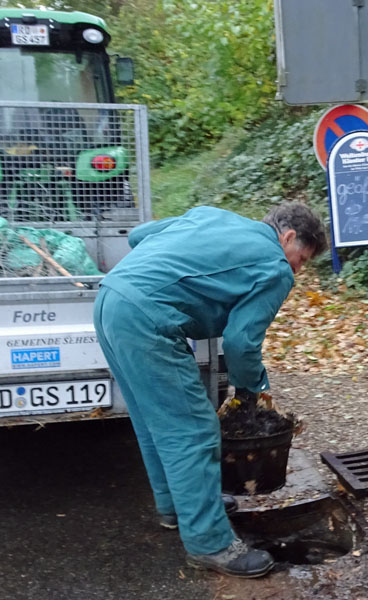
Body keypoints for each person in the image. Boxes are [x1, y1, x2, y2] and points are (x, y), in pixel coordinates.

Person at [93, 203, 328, 578]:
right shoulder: (275, 268)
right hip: (147, 320)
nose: (297, 269)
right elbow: (240, 343)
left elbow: (138, 236)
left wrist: (165, 275)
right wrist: (250, 390)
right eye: (301, 259)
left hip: (111, 299)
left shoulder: (212, 216)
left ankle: (178, 508)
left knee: (155, 420)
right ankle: (210, 544)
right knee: (194, 430)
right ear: (286, 238)